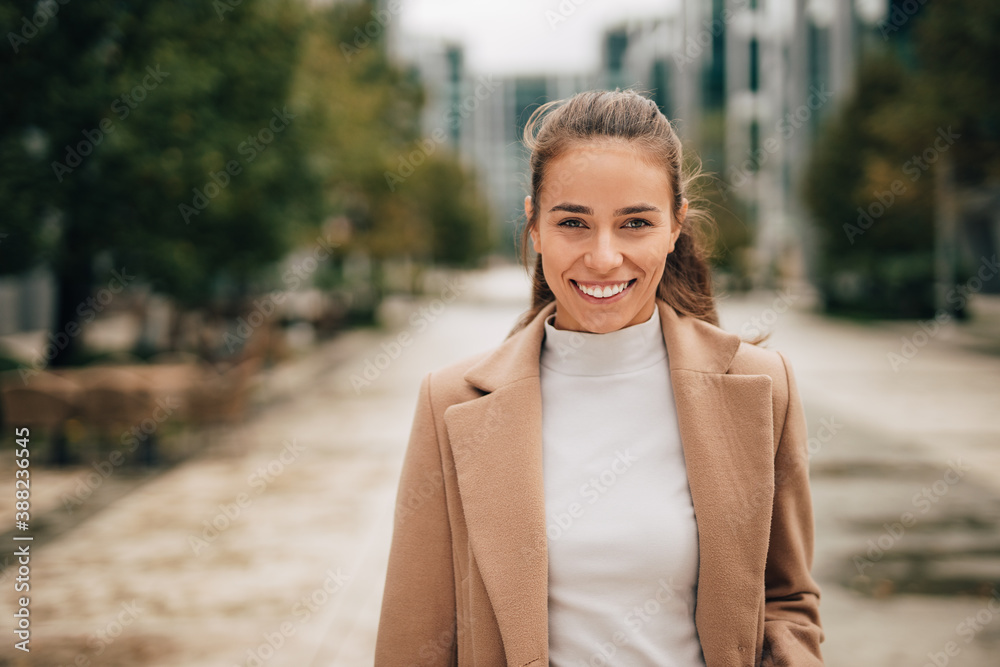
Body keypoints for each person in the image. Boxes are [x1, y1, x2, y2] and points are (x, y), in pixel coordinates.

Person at [375, 89, 824, 666]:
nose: (604, 257)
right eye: (574, 223)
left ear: (675, 227)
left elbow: (787, 600)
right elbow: (416, 637)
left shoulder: (764, 388)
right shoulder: (451, 403)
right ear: (535, 228)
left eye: (635, 223)